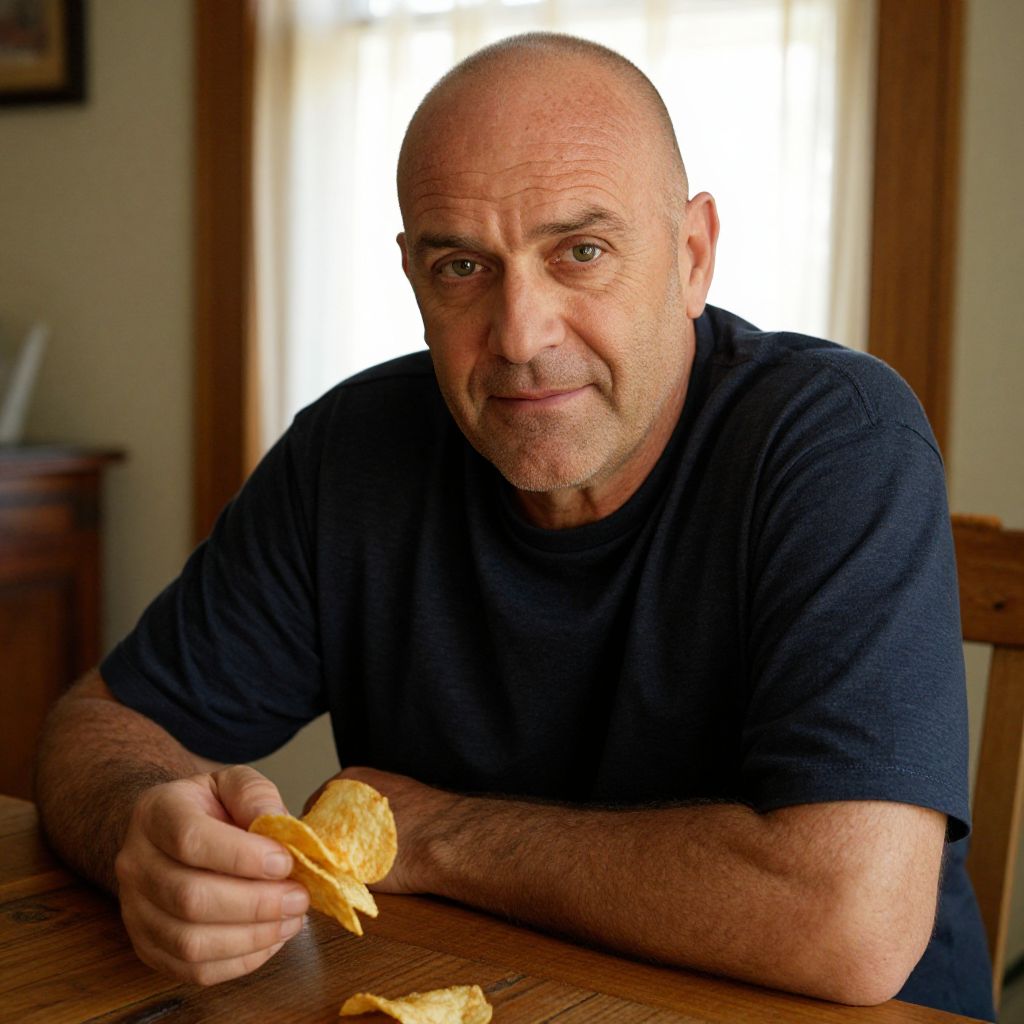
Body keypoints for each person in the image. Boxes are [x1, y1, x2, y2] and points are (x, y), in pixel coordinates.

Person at [34, 32, 993, 1020]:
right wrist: (140, 831)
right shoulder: (352, 452)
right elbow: (98, 727)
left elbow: (849, 923)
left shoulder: (835, 439)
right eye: (462, 266)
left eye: (581, 251)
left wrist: (436, 835)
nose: (521, 335)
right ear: (413, 278)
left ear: (692, 255)